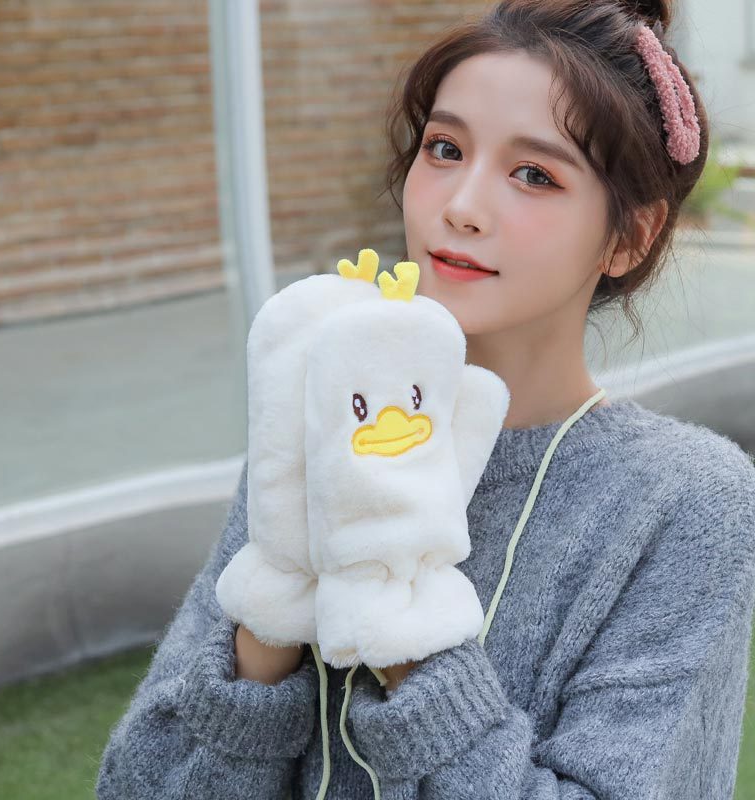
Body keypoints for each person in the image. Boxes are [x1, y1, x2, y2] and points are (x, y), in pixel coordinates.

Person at [95, 1, 755, 798]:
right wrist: (271, 614)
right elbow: (136, 785)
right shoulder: (325, 414)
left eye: (534, 175)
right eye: (445, 149)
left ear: (630, 237)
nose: (461, 206)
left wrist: (400, 614)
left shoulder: (686, 501)